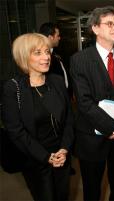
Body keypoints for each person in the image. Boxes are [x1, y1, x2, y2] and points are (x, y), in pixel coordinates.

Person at [69, 6, 114, 201]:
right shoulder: (79, 60)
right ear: (95, 28)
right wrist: (113, 128)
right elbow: (84, 102)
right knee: (92, 189)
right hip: (92, 138)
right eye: (110, 24)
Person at [1, 33, 74, 200]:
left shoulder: (56, 81)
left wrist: (64, 149)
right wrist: (46, 157)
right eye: (38, 53)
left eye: (47, 51)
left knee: (62, 196)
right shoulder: (13, 88)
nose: (46, 57)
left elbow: (69, 118)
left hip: (62, 156)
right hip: (35, 159)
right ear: (24, 57)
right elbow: (15, 131)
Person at [39, 22, 71, 95]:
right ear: (50, 37)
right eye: (58, 36)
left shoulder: (56, 53)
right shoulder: (42, 58)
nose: (59, 38)